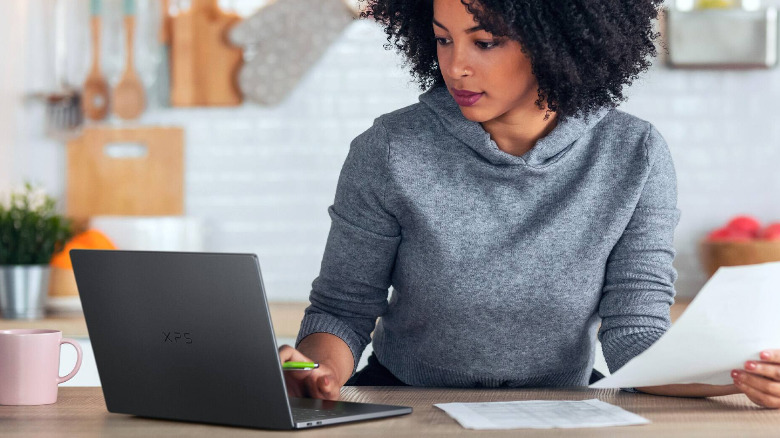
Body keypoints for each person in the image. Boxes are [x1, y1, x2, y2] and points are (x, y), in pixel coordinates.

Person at [279, 0, 780, 408]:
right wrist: (312, 372)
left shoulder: (634, 155)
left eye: (485, 41)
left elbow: (636, 337)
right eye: (443, 38)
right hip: (404, 399)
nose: (455, 65)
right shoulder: (389, 149)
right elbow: (342, 310)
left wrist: (742, 376)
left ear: (554, 39)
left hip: (562, 407)